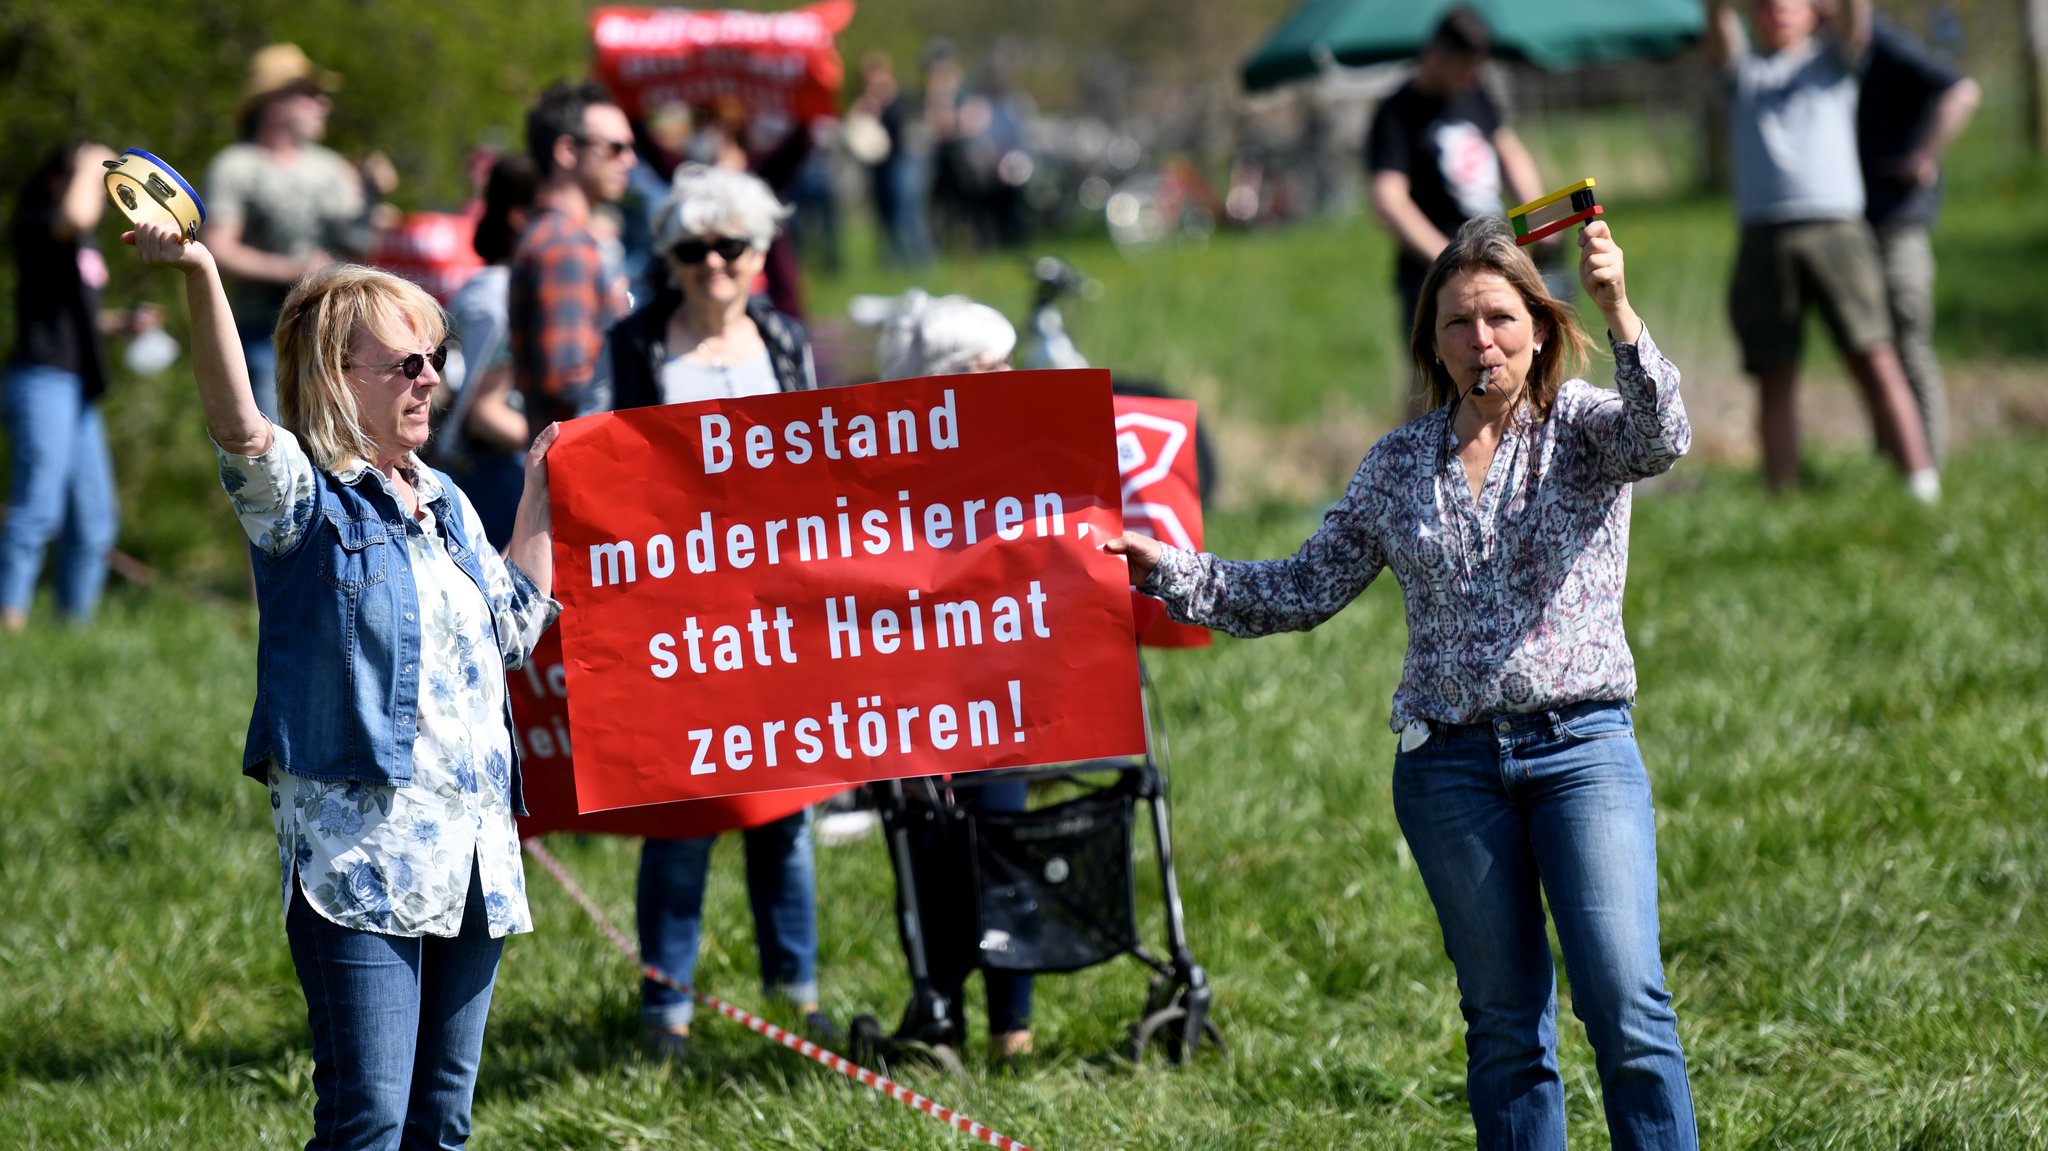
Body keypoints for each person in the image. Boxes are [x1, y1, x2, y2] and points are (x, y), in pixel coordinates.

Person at [1107, 215, 1698, 1150]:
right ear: (1430, 339)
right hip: (1449, 770)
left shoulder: (1582, 427)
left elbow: (1663, 437)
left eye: (1501, 317)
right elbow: (1301, 589)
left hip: (1582, 748)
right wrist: (1168, 571)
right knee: (1505, 1029)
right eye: (1458, 323)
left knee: (1625, 1004)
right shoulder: (1397, 465)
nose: (1482, 340)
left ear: (1539, 326)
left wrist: (1619, 308)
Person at [125, 216, 560, 1149]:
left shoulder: (443, 501)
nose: (431, 379)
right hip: (359, 860)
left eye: (434, 359)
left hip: (475, 859)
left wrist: (539, 491)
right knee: (365, 1120)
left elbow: (518, 624)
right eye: (405, 363)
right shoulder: (302, 504)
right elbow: (238, 426)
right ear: (338, 376)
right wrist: (201, 270)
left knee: (441, 1121)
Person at [580, 164, 831, 1061]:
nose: (714, 265)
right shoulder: (637, 344)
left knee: (785, 813)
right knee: (680, 814)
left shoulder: (787, 343)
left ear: (761, 255)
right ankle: (666, 1013)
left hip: (778, 616)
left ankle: (795, 999)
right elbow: (597, 461)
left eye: (732, 248)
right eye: (694, 250)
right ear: (671, 259)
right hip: (672, 617)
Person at [872, 291, 1036, 1062]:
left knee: (1004, 836)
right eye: (987, 366)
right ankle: (938, 1005)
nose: (1009, 376)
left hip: (1001, 679)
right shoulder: (880, 470)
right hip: (915, 688)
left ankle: (1014, 1028)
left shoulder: (1025, 450)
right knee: (927, 845)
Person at [1705, 0, 1939, 499]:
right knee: (1774, 373)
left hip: (1837, 230)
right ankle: (1782, 497)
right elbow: (1718, 22)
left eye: (1790, 3)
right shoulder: (1743, 72)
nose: (1778, 12)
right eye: (1765, 6)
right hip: (1763, 236)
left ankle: (1921, 485)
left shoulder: (1833, 61)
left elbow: (1858, 19)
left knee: (1875, 356)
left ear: (1816, 12)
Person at [2, 141, 161, 630]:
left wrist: (120, 325)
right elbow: (75, 215)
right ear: (58, 180)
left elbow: (77, 317)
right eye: (88, 173)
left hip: (77, 387)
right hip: (41, 379)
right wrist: (94, 162)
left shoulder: (83, 246)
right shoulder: (41, 225)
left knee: (95, 520)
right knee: (38, 507)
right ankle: (10, 619)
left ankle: (73, 630)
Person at [1365, 7, 1548, 412]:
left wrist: (1538, 217)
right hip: (1432, 276)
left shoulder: (1474, 92)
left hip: (1495, 263)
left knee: (1513, 377)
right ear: (1436, 56)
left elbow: (1508, 152)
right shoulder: (1397, 112)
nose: (1471, 77)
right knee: (1435, 391)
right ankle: (1415, 471)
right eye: (1464, 67)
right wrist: (1448, 260)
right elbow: (1389, 199)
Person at [202, 43, 389, 420]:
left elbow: (361, 243)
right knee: (274, 449)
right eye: (310, 95)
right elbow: (217, 247)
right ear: (274, 102)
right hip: (265, 334)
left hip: (333, 337)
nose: (323, 104)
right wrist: (293, 270)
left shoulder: (332, 168)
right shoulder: (237, 167)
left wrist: (371, 196)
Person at [1856, 12, 1980, 469]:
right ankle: (1894, 462)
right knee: (1875, 350)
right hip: (1859, 225)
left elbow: (1963, 91)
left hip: (1899, 224)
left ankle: (1930, 467)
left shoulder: (1883, 41)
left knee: (1909, 343)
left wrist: (1924, 156)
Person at [507, 80, 637, 430]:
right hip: (582, 466)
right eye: (615, 148)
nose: (630, 160)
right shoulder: (565, 244)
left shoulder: (559, 235)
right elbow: (568, 380)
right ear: (567, 151)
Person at [440, 153, 541, 547]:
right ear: (519, 216)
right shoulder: (496, 297)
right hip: (492, 475)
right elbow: (480, 413)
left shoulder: (514, 287)